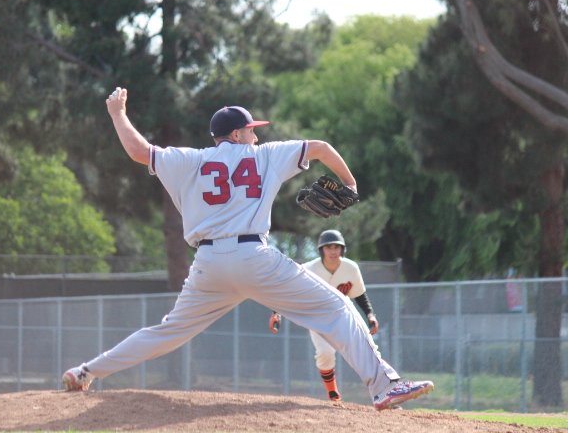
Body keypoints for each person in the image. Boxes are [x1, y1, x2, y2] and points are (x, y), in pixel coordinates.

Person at [62, 87, 433, 410]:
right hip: (253, 258)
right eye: (252, 130)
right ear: (237, 134)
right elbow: (320, 148)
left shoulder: (189, 159)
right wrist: (349, 183)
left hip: (207, 265)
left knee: (167, 332)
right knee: (337, 308)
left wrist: (118, 113)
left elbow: (138, 150)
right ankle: (384, 386)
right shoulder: (264, 155)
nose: (256, 136)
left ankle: (85, 372)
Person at [270, 229, 381, 402]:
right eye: (328, 247)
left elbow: (359, 295)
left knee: (369, 347)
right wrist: (276, 312)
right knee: (325, 353)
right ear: (321, 250)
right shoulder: (308, 269)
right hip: (319, 315)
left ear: (342, 249)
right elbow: (288, 290)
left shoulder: (350, 268)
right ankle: (333, 393)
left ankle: (385, 389)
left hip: (345, 311)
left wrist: (370, 315)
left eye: (336, 247)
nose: (332, 251)